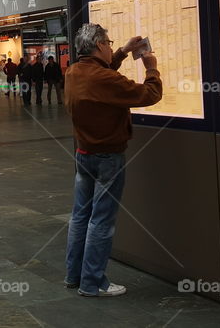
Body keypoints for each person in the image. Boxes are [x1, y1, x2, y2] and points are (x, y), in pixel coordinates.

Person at [63, 24, 162, 297]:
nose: (110, 46)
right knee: (102, 222)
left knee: (80, 216)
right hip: (108, 157)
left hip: (83, 154)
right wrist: (151, 67)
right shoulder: (103, 79)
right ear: (98, 45)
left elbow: (102, 75)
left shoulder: (74, 72)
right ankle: (92, 282)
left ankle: (74, 276)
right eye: (108, 42)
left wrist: (122, 51)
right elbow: (150, 94)